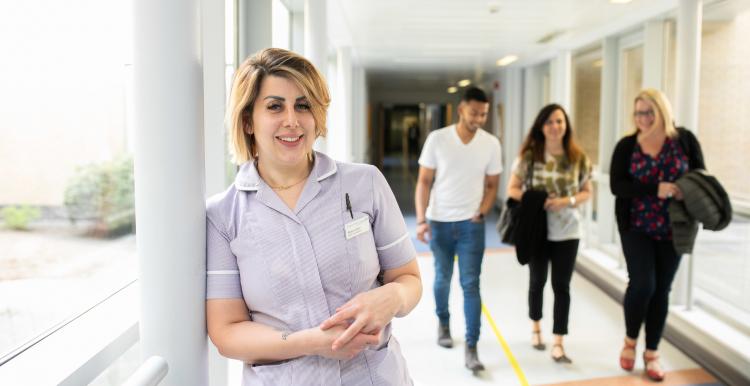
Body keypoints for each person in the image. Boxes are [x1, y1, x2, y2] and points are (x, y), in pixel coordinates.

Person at [205, 48, 422, 385]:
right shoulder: (223, 215)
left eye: (303, 105)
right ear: (248, 120)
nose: (292, 120)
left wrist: (392, 297)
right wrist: (313, 343)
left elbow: (410, 279)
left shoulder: (365, 183)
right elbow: (226, 333)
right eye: (275, 106)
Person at [610, 89, 704, 382]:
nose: (644, 118)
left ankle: (652, 352)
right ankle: (629, 341)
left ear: (663, 111)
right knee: (642, 283)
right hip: (636, 226)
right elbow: (618, 186)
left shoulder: (684, 140)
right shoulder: (627, 145)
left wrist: (681, 189)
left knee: (662, 289)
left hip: (674, 227)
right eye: (639, 112)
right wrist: (656, 188)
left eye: (649, 112)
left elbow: (700, 176)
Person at [414, 86, 502, 373]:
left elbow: (492, 184)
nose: (479, 118)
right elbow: (424, 181)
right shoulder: (438, 139)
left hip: (470, 226)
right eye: (475, 112)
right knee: (442, 277)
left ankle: (472, 346)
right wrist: (422, 219)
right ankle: (443, 321)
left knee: (470, 284)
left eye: (484, 114)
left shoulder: (491, 144)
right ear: (462, 108)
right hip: (439, 221)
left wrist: (482, 212)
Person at [506, 104, 592, 364]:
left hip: (569, 232)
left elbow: (587, 192)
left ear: (566, 125)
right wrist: (539, 200)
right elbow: (512, 190)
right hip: (537, 231)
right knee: (537, 281)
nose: (555, 127)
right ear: (541, 127)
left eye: (560, 121)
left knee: (561, 286)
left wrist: (567, 201)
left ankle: (558, 342)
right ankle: (536, 328)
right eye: (550, 122)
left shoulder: (577, 157)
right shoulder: (529, 157)